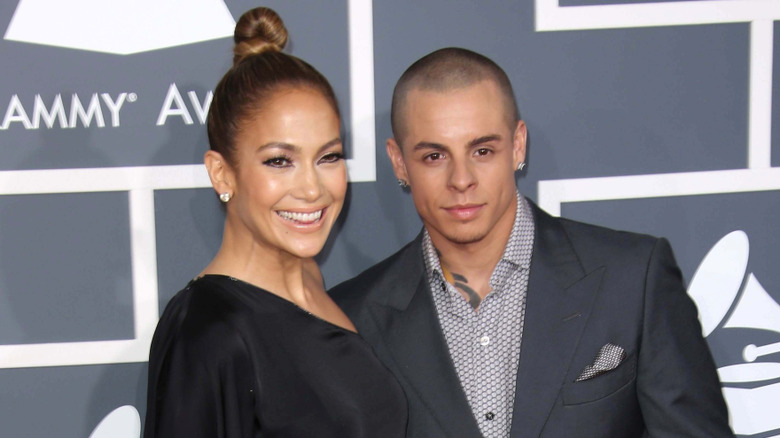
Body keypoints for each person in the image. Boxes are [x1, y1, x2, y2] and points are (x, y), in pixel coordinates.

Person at [330, 47, 733, 437]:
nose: (461, 180)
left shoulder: (632, 279)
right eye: (435, 156)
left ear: (517, 145)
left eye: (482, 150)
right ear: (399, 162)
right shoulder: (352, 318)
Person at [144, 7, 407, 437]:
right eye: (280, 161)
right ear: (221, 173)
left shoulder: (310, 281)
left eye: (329, 157)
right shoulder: (206, 333)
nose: (312, 189)